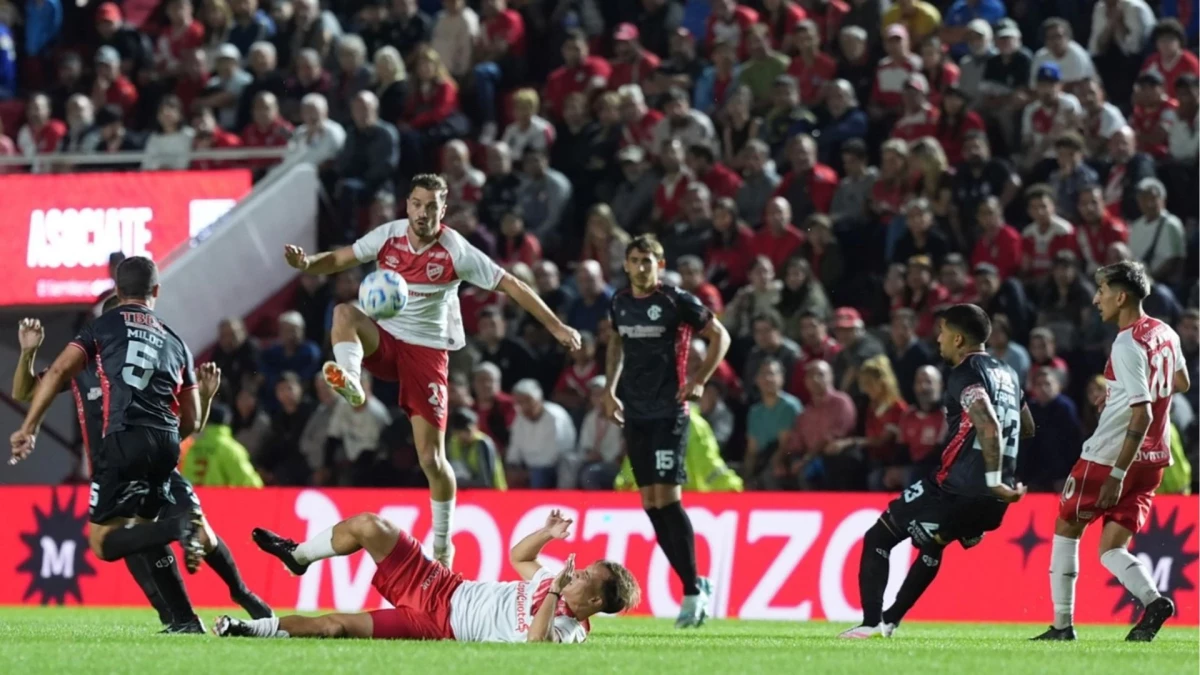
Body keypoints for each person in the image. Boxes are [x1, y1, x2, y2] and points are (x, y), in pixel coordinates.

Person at [281, 174, 581, 567]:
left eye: (433, 206)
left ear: (443, 210)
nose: (424, 213)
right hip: (385, 341)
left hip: (426, 354)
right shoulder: (388, 236)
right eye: (418, 204)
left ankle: (442, 545)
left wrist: (556, 325)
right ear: (407, 205)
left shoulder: (456, 250)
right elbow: (340, 260)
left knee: (432, 460)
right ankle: (352, 379)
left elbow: (511, 285)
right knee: (343, 312)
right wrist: (308, 263)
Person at [9, 261, 272, 632]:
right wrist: (27, 354)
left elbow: (188, 421)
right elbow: (25, 390)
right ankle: (180, 618)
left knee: (170, 534)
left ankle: (240, 595)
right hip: (139, 454)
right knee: (140, 538)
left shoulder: (105, 344)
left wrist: (29, 428)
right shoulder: (92, 365)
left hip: (128, 452)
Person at [840, 304, 1034, 638]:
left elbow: (987, 423)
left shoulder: (965, 372)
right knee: (934, 544)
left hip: (957, 488)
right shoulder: (1009, 373)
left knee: (879, 536)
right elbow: (1026, 426)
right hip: (994, 501)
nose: (938, 338)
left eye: (942, 331)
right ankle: (890, 621)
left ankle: (872, 623)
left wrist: (989, 479)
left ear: (958, 339)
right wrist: (998, 482)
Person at [1033, 261, 1189, 643]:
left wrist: (1116, 474)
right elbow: (1180, 382)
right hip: (1154, 460)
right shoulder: (1165, 331)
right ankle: (1153, 602)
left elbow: (1143, 410)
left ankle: (1062, 625)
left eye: (1101, 291)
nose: (1095, 298)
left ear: (1121, 297)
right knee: (1111, 547)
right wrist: (1119, 392)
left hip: (1110, 457)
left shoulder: (1126, 341)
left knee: (1067, 528)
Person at [231, 510, 638, 642]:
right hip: (444, 586)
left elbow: (536, 643)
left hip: (437, 626)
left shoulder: (571, 628)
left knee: (335, 626)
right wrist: (547, 535)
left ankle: (248, 629)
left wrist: (554, 594)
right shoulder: (555, 583)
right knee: (370, 526)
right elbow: (519, 557)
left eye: (586, 575)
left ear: (597, 602)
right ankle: (298, 555)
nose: (577, 572)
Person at [604, 234, 732, 628]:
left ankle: (693, 593)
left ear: (660, 265)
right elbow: (615, 344)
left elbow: (720, 337)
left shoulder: (676, 301)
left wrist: (700, 379)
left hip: (669, 413)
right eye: (636, 260)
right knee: (651, 504)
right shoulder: (620, 303)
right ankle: (695, 584)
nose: (642, 267)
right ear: (626, 265)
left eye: (649, 261)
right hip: (636, 415)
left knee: (669, 500)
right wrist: (610, 391)